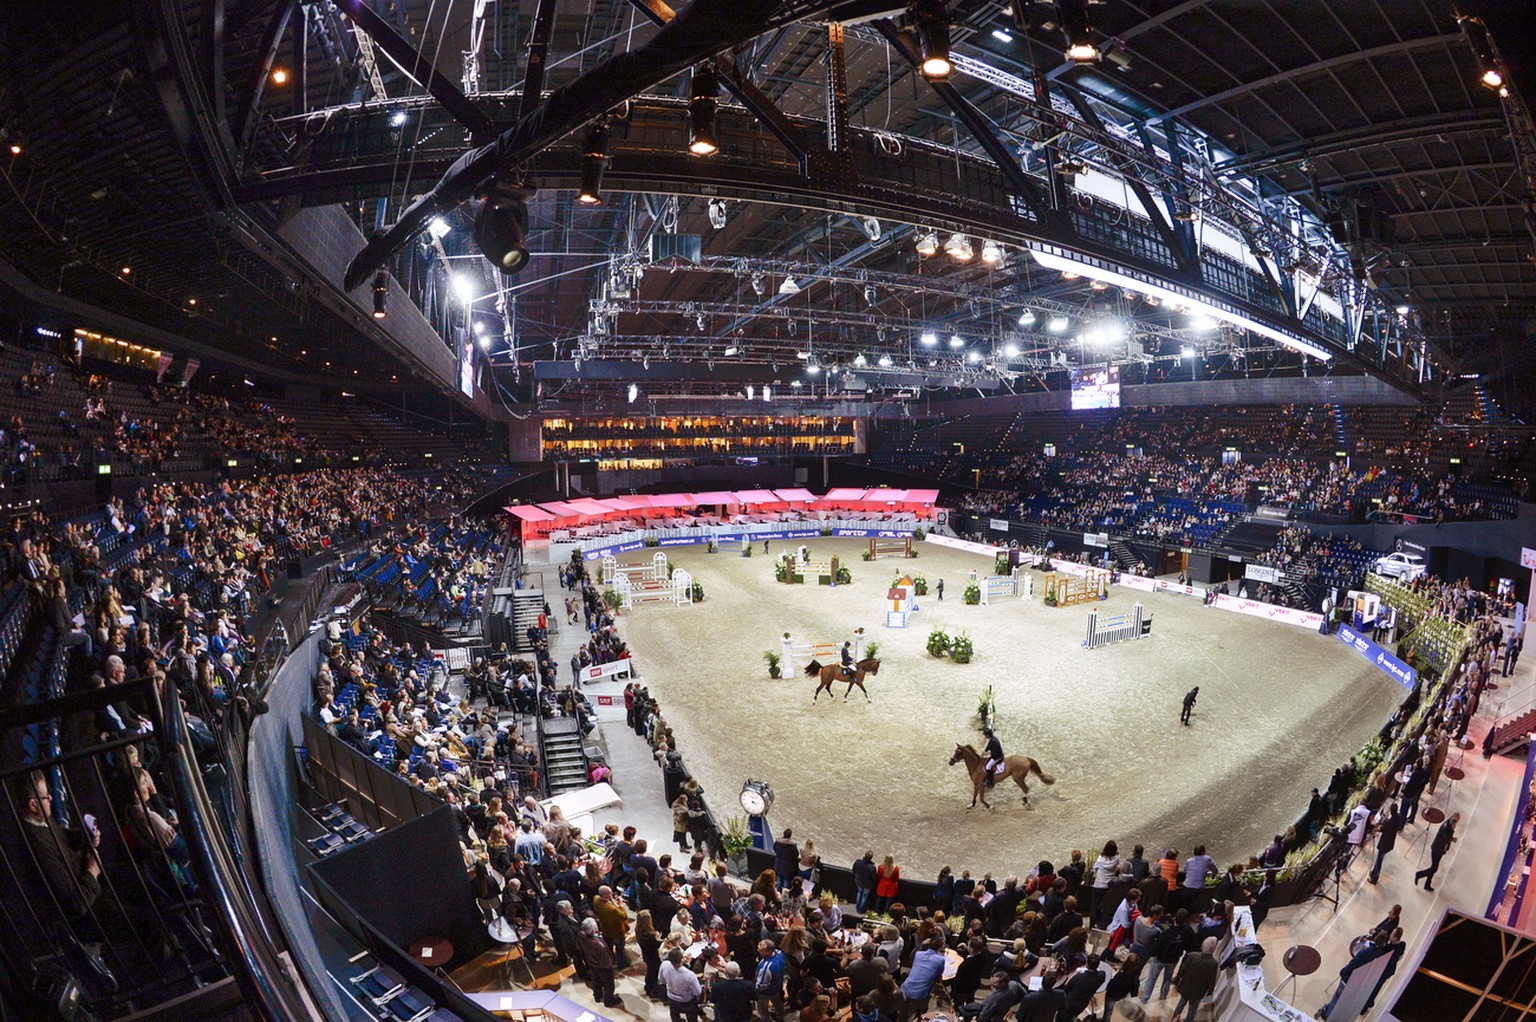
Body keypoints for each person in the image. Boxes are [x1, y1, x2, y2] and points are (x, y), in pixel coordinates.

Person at [1169, 936, 1219, 1022]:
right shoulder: (1213, 963)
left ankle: (1174, 1018)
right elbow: (1211, 980)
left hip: (1186, 985)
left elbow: (1183, 969)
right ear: (1212, 948)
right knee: (1192, 1009)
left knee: (1181, 1002)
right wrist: (1210, 991)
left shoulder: (1192, 955)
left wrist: (1179, 978)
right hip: (1198, 991)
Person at [898, 937, 947, 1021]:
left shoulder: (918, 954)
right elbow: (939, 974)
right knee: (923, 1009)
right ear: (941, 947)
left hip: (905, 988)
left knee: (903, 1011)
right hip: (920, 994)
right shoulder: (940, 959)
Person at [580, 917, 622, 1007]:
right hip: (603, 967)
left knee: (596, 980)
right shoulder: (599, 945)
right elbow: (606, 960)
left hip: (591, 963)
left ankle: (597, 996)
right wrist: (611, 964)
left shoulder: (581, 935)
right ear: (593, 929)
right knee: (609, 984)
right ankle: (609, 1000)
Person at [1414, 811, 1460, 891]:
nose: (1456, 823)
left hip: (1440, 849)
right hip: (1437, 849)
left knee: (1433, 867)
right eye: (1456, 820)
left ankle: (1427, 885)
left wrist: (1452, 838)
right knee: (1434, 868)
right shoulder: (1446, 826)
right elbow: (1446, 838)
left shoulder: (1450, 824)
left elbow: (1448, 837)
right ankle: (1419, 874)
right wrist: (1452, 832)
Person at [661, 947, 703, 1022]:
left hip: (671, 997)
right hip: (687, 1000)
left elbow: (661, 980)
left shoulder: (664, 965)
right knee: (691, 1017)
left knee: (674, 1015)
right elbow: (697, 991)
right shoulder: (690, 975)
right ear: (681, 959)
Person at [1368, 802, 1404, 884]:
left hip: (1385, 843)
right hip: (1390, 842)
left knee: (1379, 860)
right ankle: (1373, 872)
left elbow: (1382, 828)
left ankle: (1374, 877)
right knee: (1380, 858)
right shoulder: (1398, 817)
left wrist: (1378, 827)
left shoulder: (1389, 822)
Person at [755, 939, 787, 1022]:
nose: (758, 951)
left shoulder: (766, 967)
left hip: (766, 992)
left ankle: (766, 1019)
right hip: (777, 985)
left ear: (769, 951)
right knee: (778, 1002)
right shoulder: (778, 953)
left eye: (761, 951)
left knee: (762, 1009)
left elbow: (761, 984)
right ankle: (780, 1016)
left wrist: (755, 989)